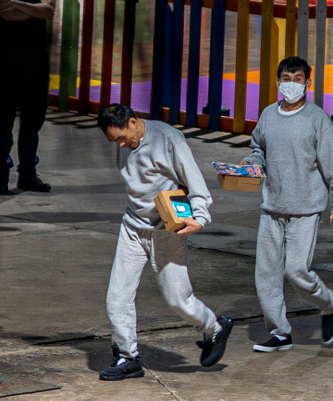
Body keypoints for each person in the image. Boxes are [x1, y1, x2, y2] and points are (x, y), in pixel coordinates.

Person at [96, 104, 232, 381]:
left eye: (123, 138)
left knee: (178, 300)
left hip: (166, 230)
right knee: (116, 298)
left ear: (133, 122)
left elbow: (196, 184)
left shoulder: (169, 140)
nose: (121, 145)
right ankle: (127, 357)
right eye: (115, 142)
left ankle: (214, 327)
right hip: (132, 226)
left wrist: (200, 218)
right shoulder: (124, 142)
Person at [242, 56, 333, 353]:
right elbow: (257, 149)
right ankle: (280, 332)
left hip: (305, 210)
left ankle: (328, 303)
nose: (292, 83)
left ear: (308, 83)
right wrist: (251, 164)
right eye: (286, 78)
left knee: (296, 271)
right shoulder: (267, 115)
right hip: (272, 207)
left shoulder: (317, 119)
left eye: (298, 78)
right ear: (278, 81)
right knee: (265, 274)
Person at [0, 0, 56, 194]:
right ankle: (1, 176)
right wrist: (31, 8)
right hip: (4, 63)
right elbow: (6, 16)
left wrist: (17, 4)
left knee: (32, 122)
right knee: (2, 123)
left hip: (36, 63)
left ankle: (28, 175)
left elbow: (48, 11)